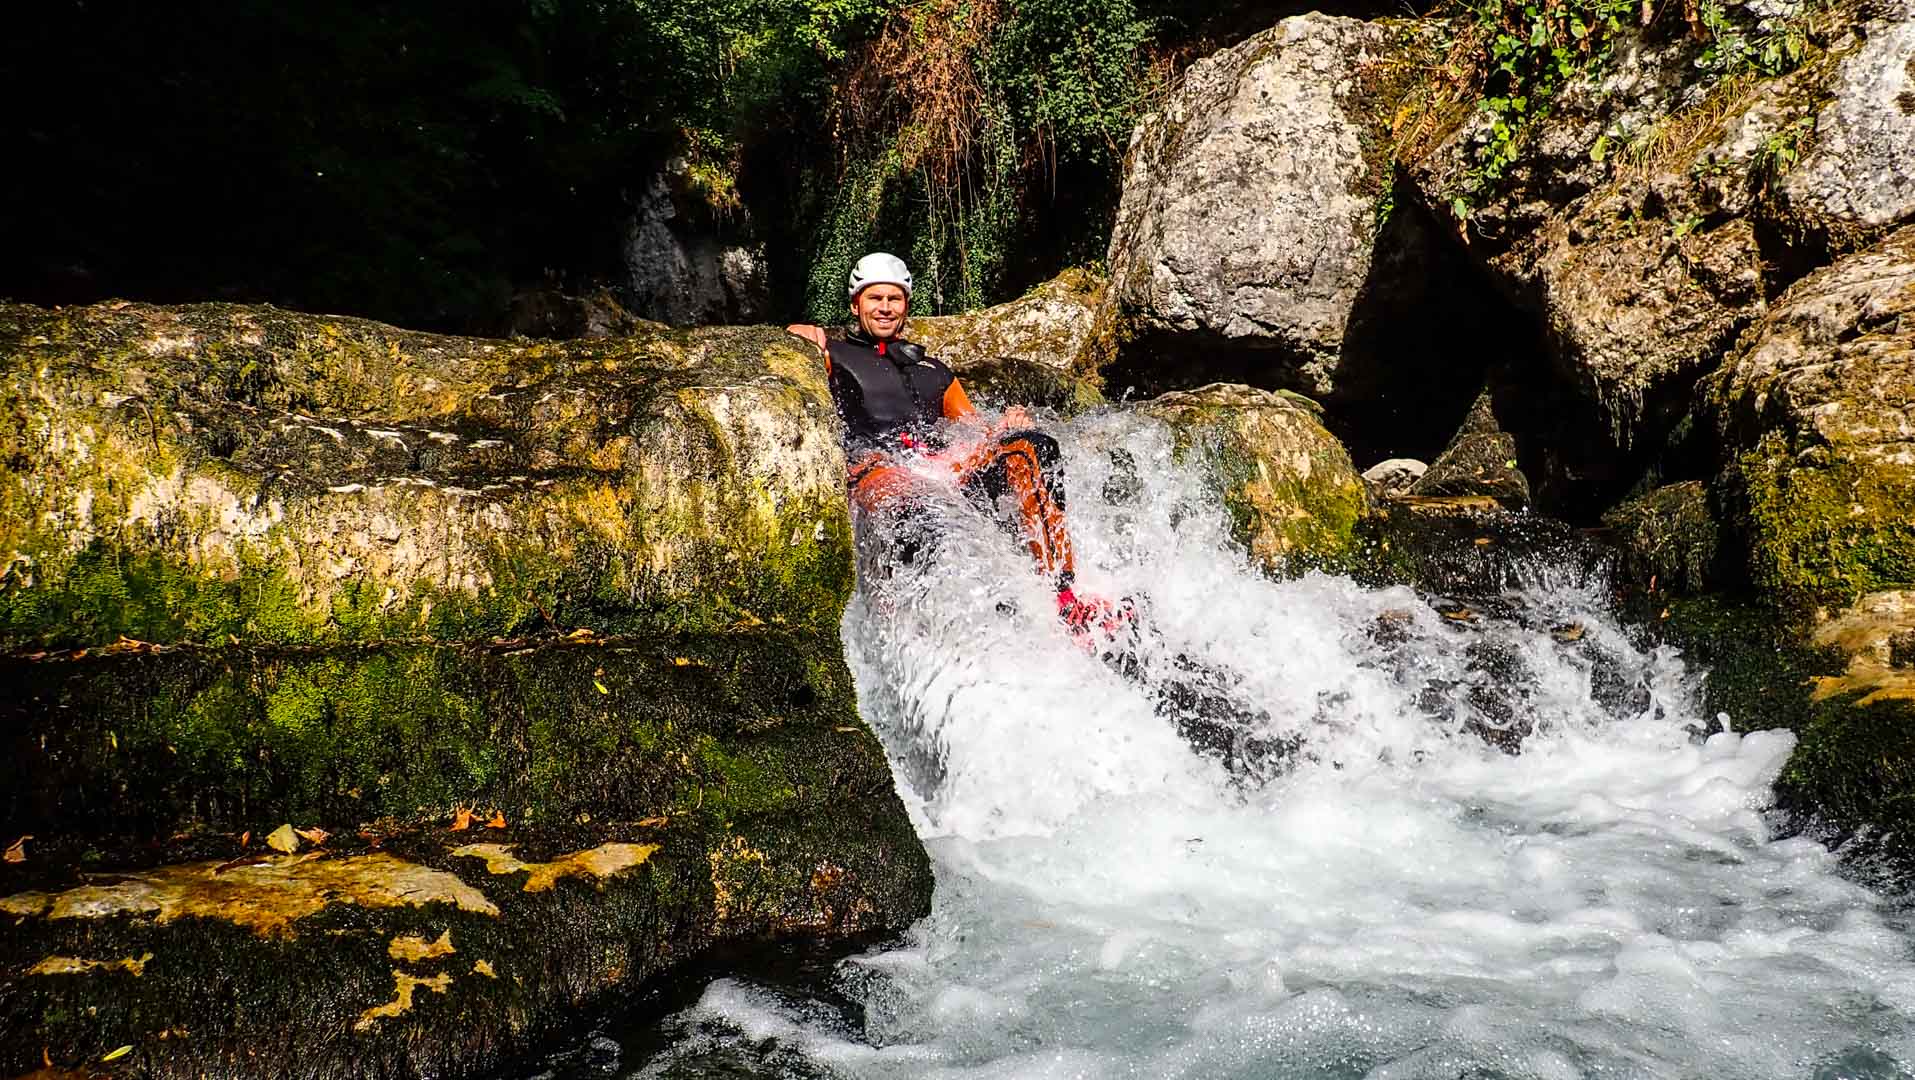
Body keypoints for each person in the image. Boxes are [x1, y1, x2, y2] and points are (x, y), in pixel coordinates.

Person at [786, 252, 1126, 637]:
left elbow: (974, 429)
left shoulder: (935, 371)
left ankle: (1064, 599)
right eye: (874, 298)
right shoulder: (833, 354)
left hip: (937, 467)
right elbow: (790, 354)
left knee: (1030, 447)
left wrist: (1005, 428)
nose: (884, 307)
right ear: (855, 303)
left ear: (906, 306)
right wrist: (802, 338)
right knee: (910, 496)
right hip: (876, 470)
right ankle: (914, 630)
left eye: (893, 299)